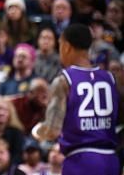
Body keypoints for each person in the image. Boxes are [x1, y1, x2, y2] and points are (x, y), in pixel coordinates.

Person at [32, 23, 123, 175]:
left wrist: (37, 131)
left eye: (59, 45)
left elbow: (52, 130)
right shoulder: (111, 78)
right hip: (111, 159)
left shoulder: (64, 80)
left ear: (66, 46)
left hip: (81, 160)